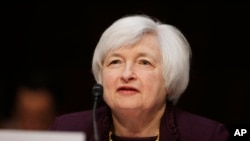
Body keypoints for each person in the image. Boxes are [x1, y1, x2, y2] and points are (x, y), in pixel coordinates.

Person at [49, 14, 229, 141]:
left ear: (170, 80)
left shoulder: (207, 135)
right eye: (115, 62)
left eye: (144, 62)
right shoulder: (68, 130)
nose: (126, 74)